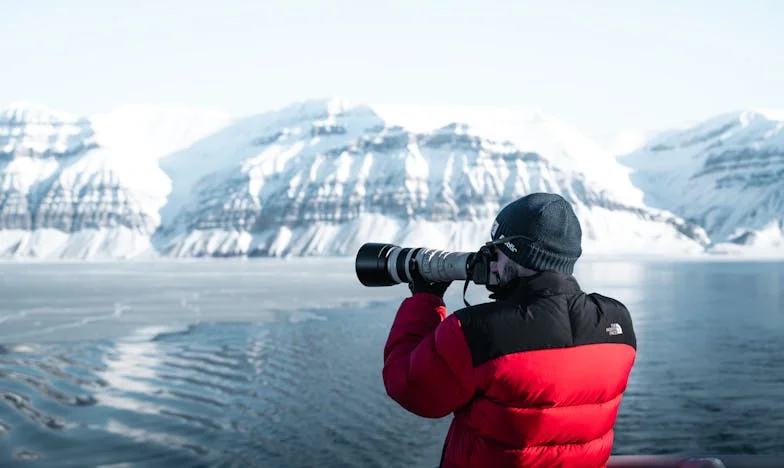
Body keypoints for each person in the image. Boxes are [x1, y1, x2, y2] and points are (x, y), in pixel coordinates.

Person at [382, 192, 637, 468]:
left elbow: (409, 386)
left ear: (518, 252)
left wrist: (425, 299)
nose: (491, 257)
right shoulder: (618, 322)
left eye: (498, 247)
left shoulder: (476, 331)